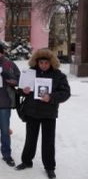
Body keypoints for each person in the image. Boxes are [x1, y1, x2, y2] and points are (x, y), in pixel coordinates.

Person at [15, 49, 70, 179]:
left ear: (51, 62)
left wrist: (51, 97)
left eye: (46, 62)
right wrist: (24, 91)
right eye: (41, 62)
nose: (43, 65)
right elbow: (21, 90)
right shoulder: (30, 73)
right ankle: (26, 161)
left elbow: (65, 93)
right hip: (32, 112)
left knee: (48, 142)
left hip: (49, 114)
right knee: (30, 139)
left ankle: (50, 167)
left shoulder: (58, 75)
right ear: (36, 62)